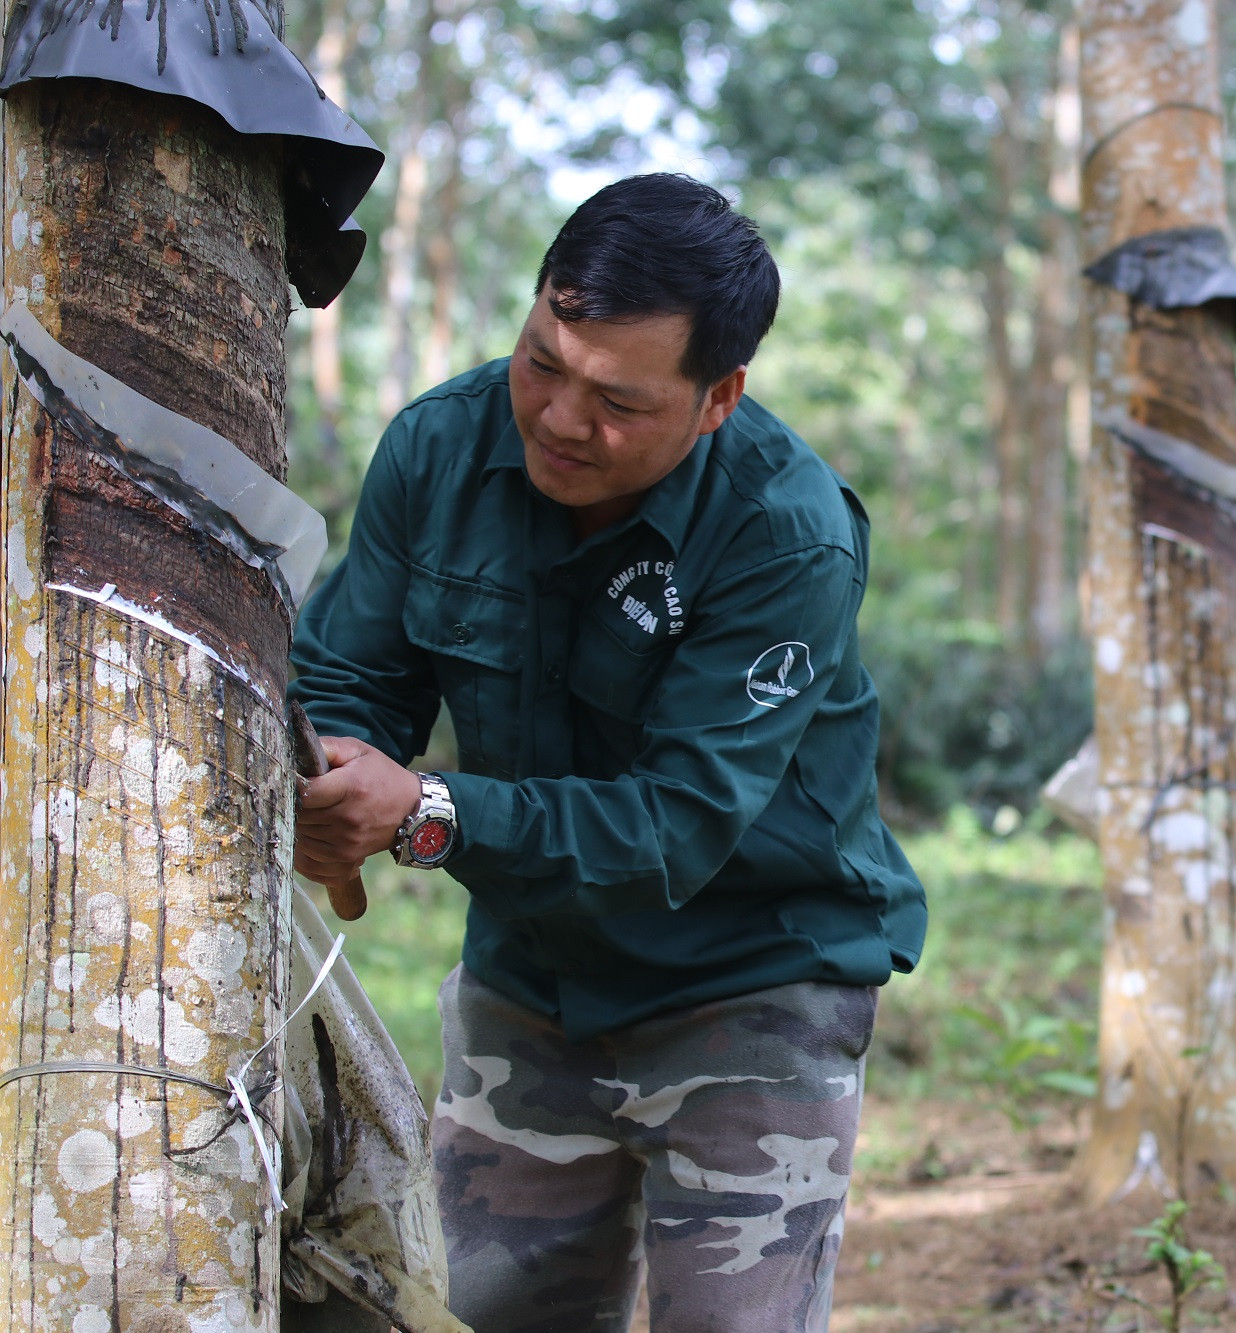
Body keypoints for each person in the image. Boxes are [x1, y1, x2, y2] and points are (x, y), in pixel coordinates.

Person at [288, 173, 926, 1332]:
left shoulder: (784, 533)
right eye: (543, 362)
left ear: (717, 396)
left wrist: (425, 809)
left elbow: (674, 823)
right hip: (534, 980)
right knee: (481, 1313)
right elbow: (350, 673)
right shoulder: (439, 447)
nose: (562, 420)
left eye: (619, 402)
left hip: (753, 980)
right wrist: (332, 766)